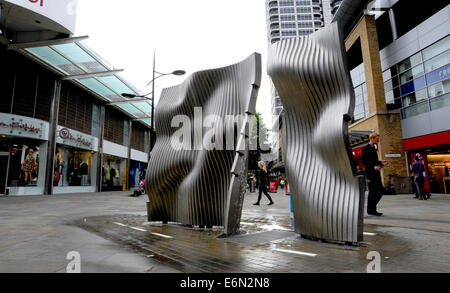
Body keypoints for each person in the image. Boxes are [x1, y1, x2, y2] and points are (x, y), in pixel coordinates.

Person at [362, 132, 389, 216]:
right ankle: (371, 209)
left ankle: (371, 208)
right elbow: (365, 162)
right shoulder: (365, 148)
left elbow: (373, 161)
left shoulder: (373, 148)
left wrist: (381, 162)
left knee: (380, 190)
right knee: (373, 191)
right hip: (371, 174)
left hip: (376, 173)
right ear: (372, 138)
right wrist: (374, 167)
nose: (378, 140)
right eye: (377, 139)